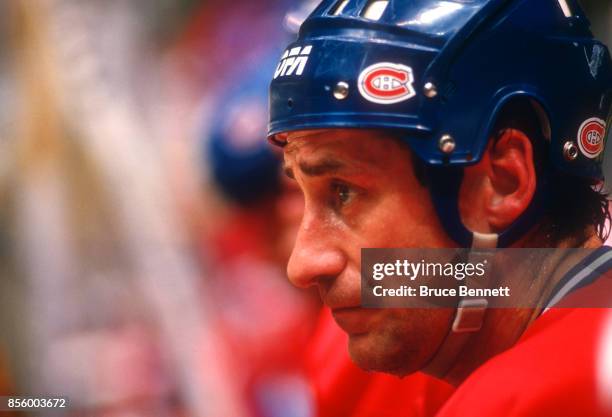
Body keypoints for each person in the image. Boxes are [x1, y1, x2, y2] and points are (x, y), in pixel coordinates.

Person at [266, 0, 612, 415]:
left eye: (343, 192)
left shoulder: (535, 398)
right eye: (301, 193)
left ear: (502, 182)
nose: (302, 265)